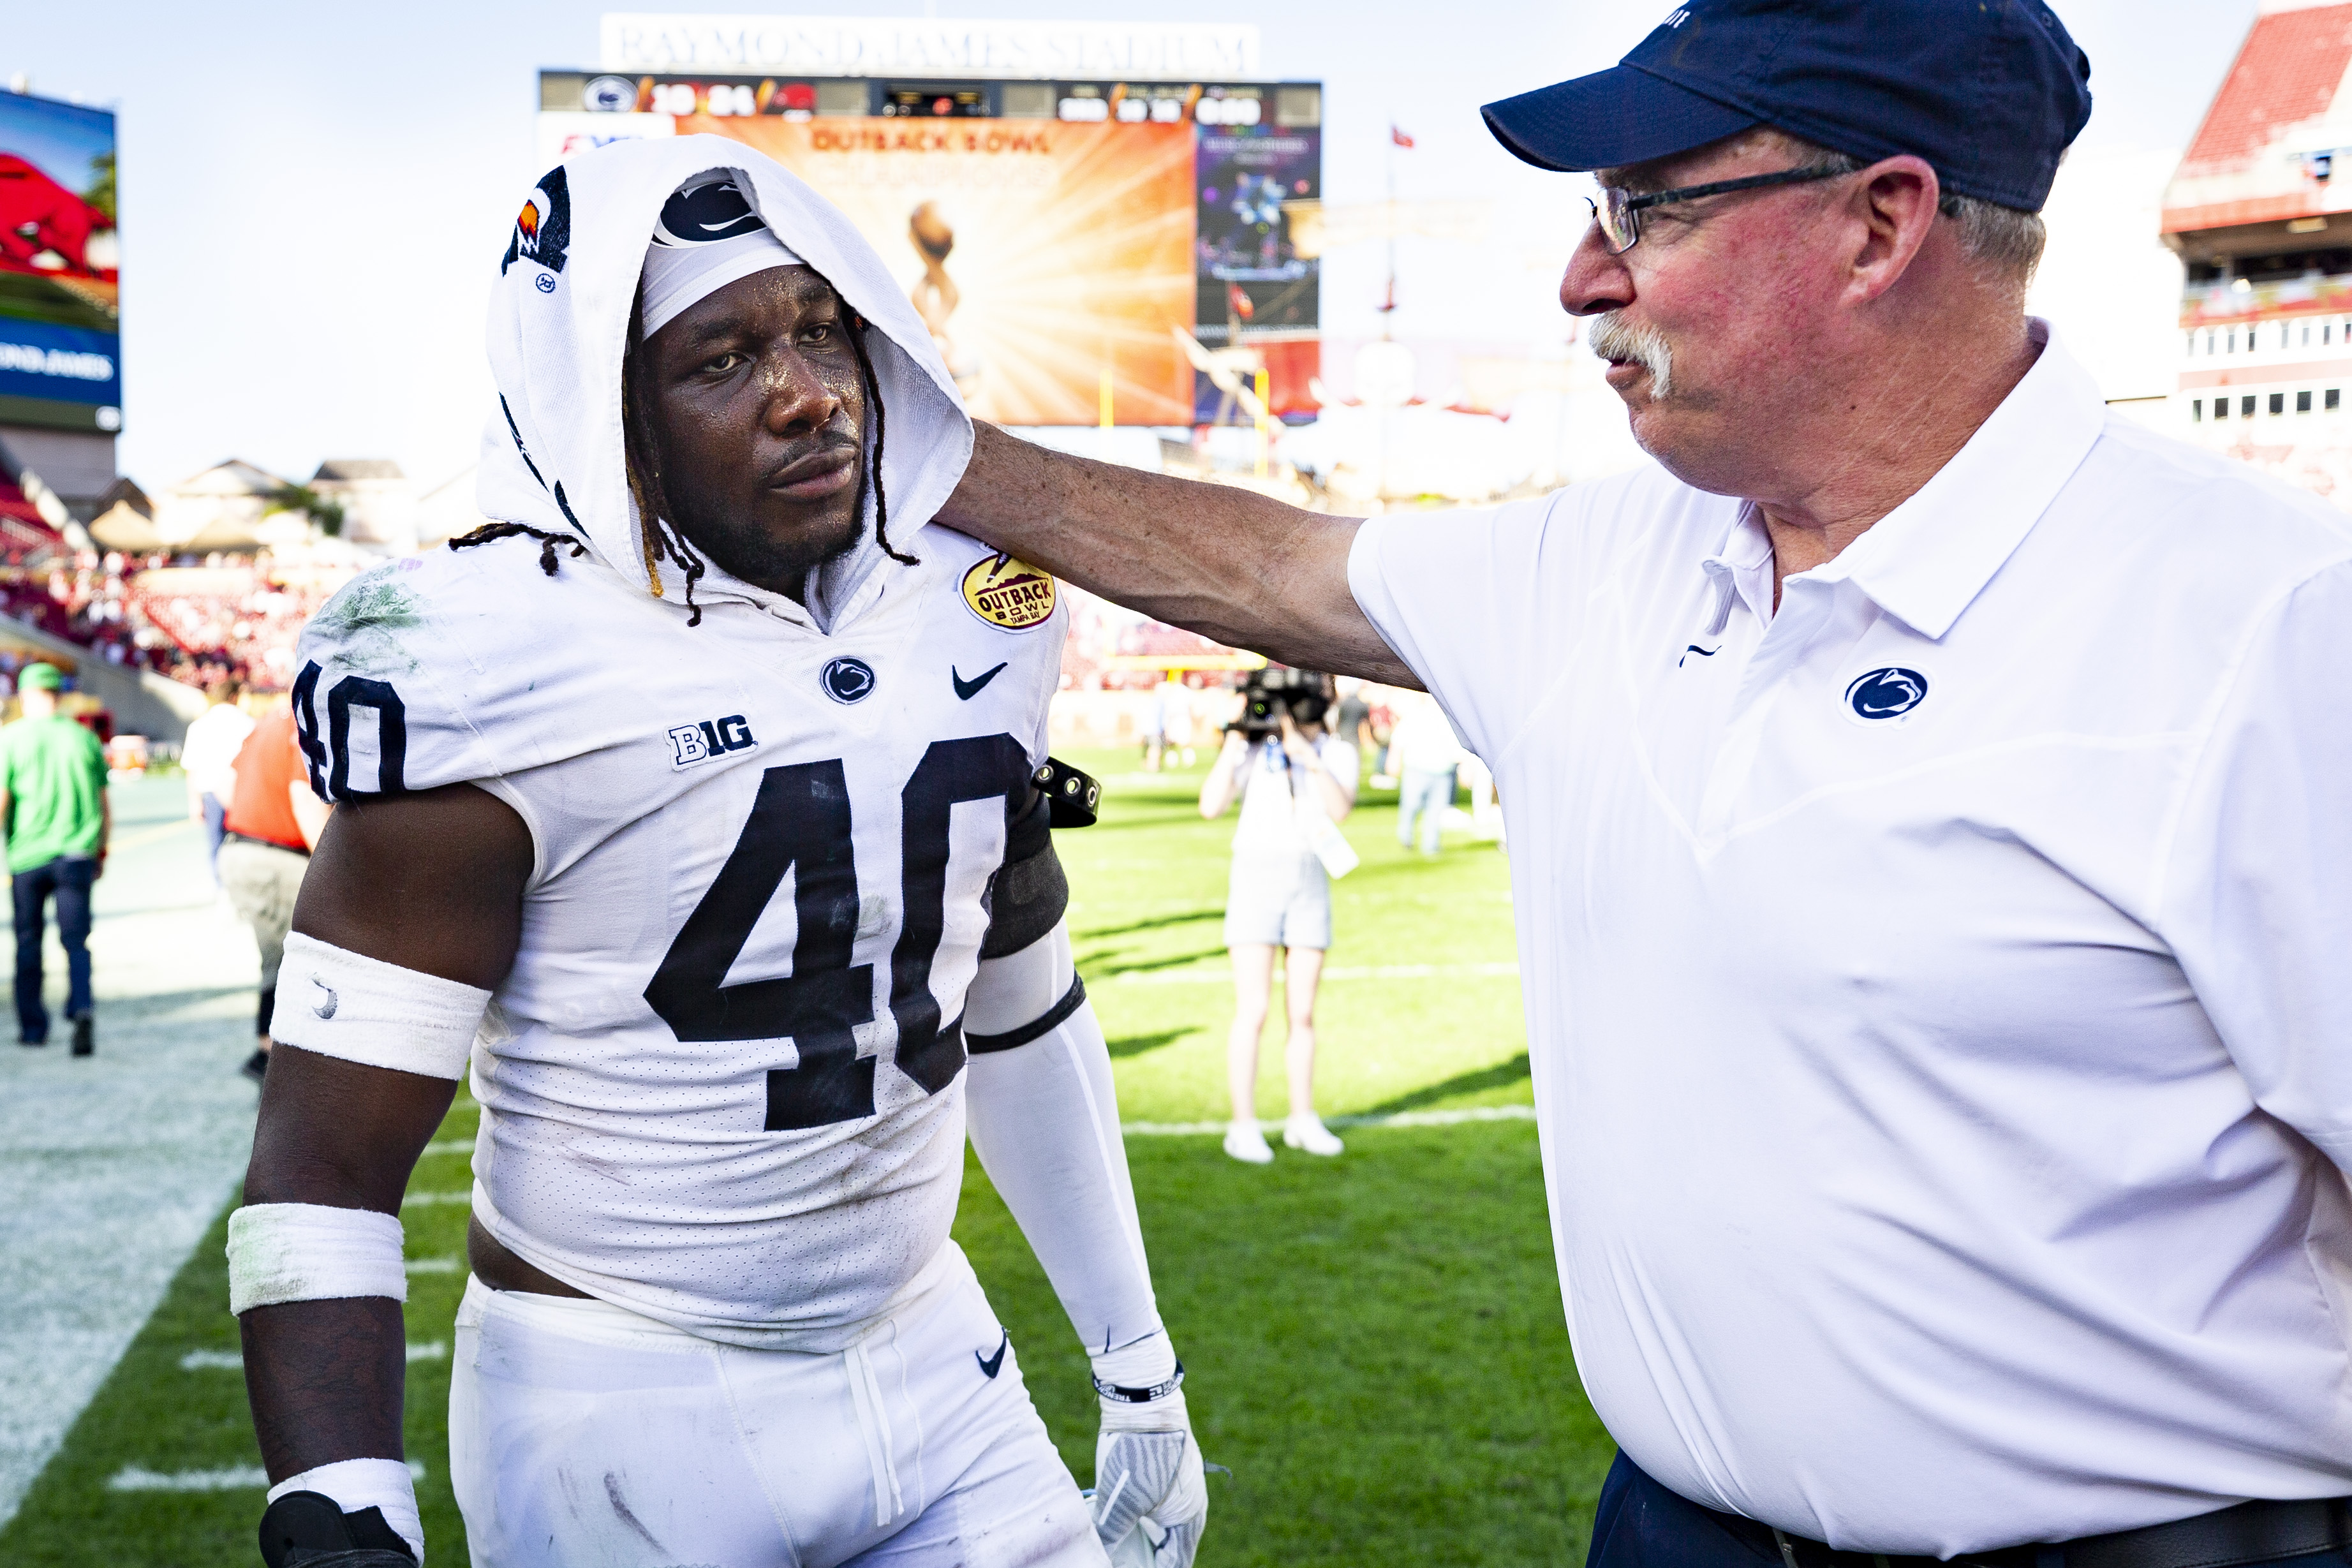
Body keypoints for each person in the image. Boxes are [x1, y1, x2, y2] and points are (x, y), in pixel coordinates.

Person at [931, 2, 2352, 1563]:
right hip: (1670, 1529)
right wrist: (902, 443)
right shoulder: (1615, 550)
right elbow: (1275, 568)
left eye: (1645, 206)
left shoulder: (2264, 631)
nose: (1579, 277)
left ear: (1880, 223)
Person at [232, 138, 1204, 1568]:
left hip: (929, 1346)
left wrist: (1135, 1359)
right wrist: (341, 1509)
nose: (806, 390)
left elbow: (1017, 1000)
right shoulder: (491, 663)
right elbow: (322, 1160)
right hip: (621, 1395)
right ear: (605, 417)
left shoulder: (971, 598)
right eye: (720, 359)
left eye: (823, 329)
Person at [1197, 676, 1356, 1162]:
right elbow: (1210, 807)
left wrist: (1302, 749)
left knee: (1302, 1012)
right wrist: (1234, 740)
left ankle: (1301, 1118)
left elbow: (1340, 809)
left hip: (1308, 879)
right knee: (1254, 1009)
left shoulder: (1335, 750)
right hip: (1255, 878)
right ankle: (1242, 1125)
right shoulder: (1251, 748)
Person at [217, 700, 330, 1084]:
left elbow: (226, 787)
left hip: (243, 849)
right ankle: (269, 1053)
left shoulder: (269, 720)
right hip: (276, 856)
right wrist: (334, 870)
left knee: (279, 956)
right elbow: (304, 802)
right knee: (287, 958)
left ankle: (269, 1051)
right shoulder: (304, 725)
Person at [0, 662, 107, 1054]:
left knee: (28, 942)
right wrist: (102, 849)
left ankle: (33, 1028)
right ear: (58, 696)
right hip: (77, 852)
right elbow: (102, 802)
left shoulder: (10, 739)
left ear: (25, 696)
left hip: (28, 854)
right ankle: (81, 1007)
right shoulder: (84, 738)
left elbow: (3, 800)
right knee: (76, 941)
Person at [181, 677, 251, 893]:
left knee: (216, 845)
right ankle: (242, 888)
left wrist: (194, 802)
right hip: (240, 791)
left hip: (210, 791)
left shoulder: (199, 725)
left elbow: (191, 767)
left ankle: (223, 889)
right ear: (234, 697)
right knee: (244, 843)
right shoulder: (248, 723)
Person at [1386, 689, 1465, 856]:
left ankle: (1431, 845)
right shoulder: (1415, 716)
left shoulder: (1450, 720)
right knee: (1411, 804)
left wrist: (1465, 766)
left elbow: (1459, 748)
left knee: (1436, 810)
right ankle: (1405, 836)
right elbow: (1398, 740)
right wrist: (1393, 761)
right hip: (1417, 769)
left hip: (1443, 772)